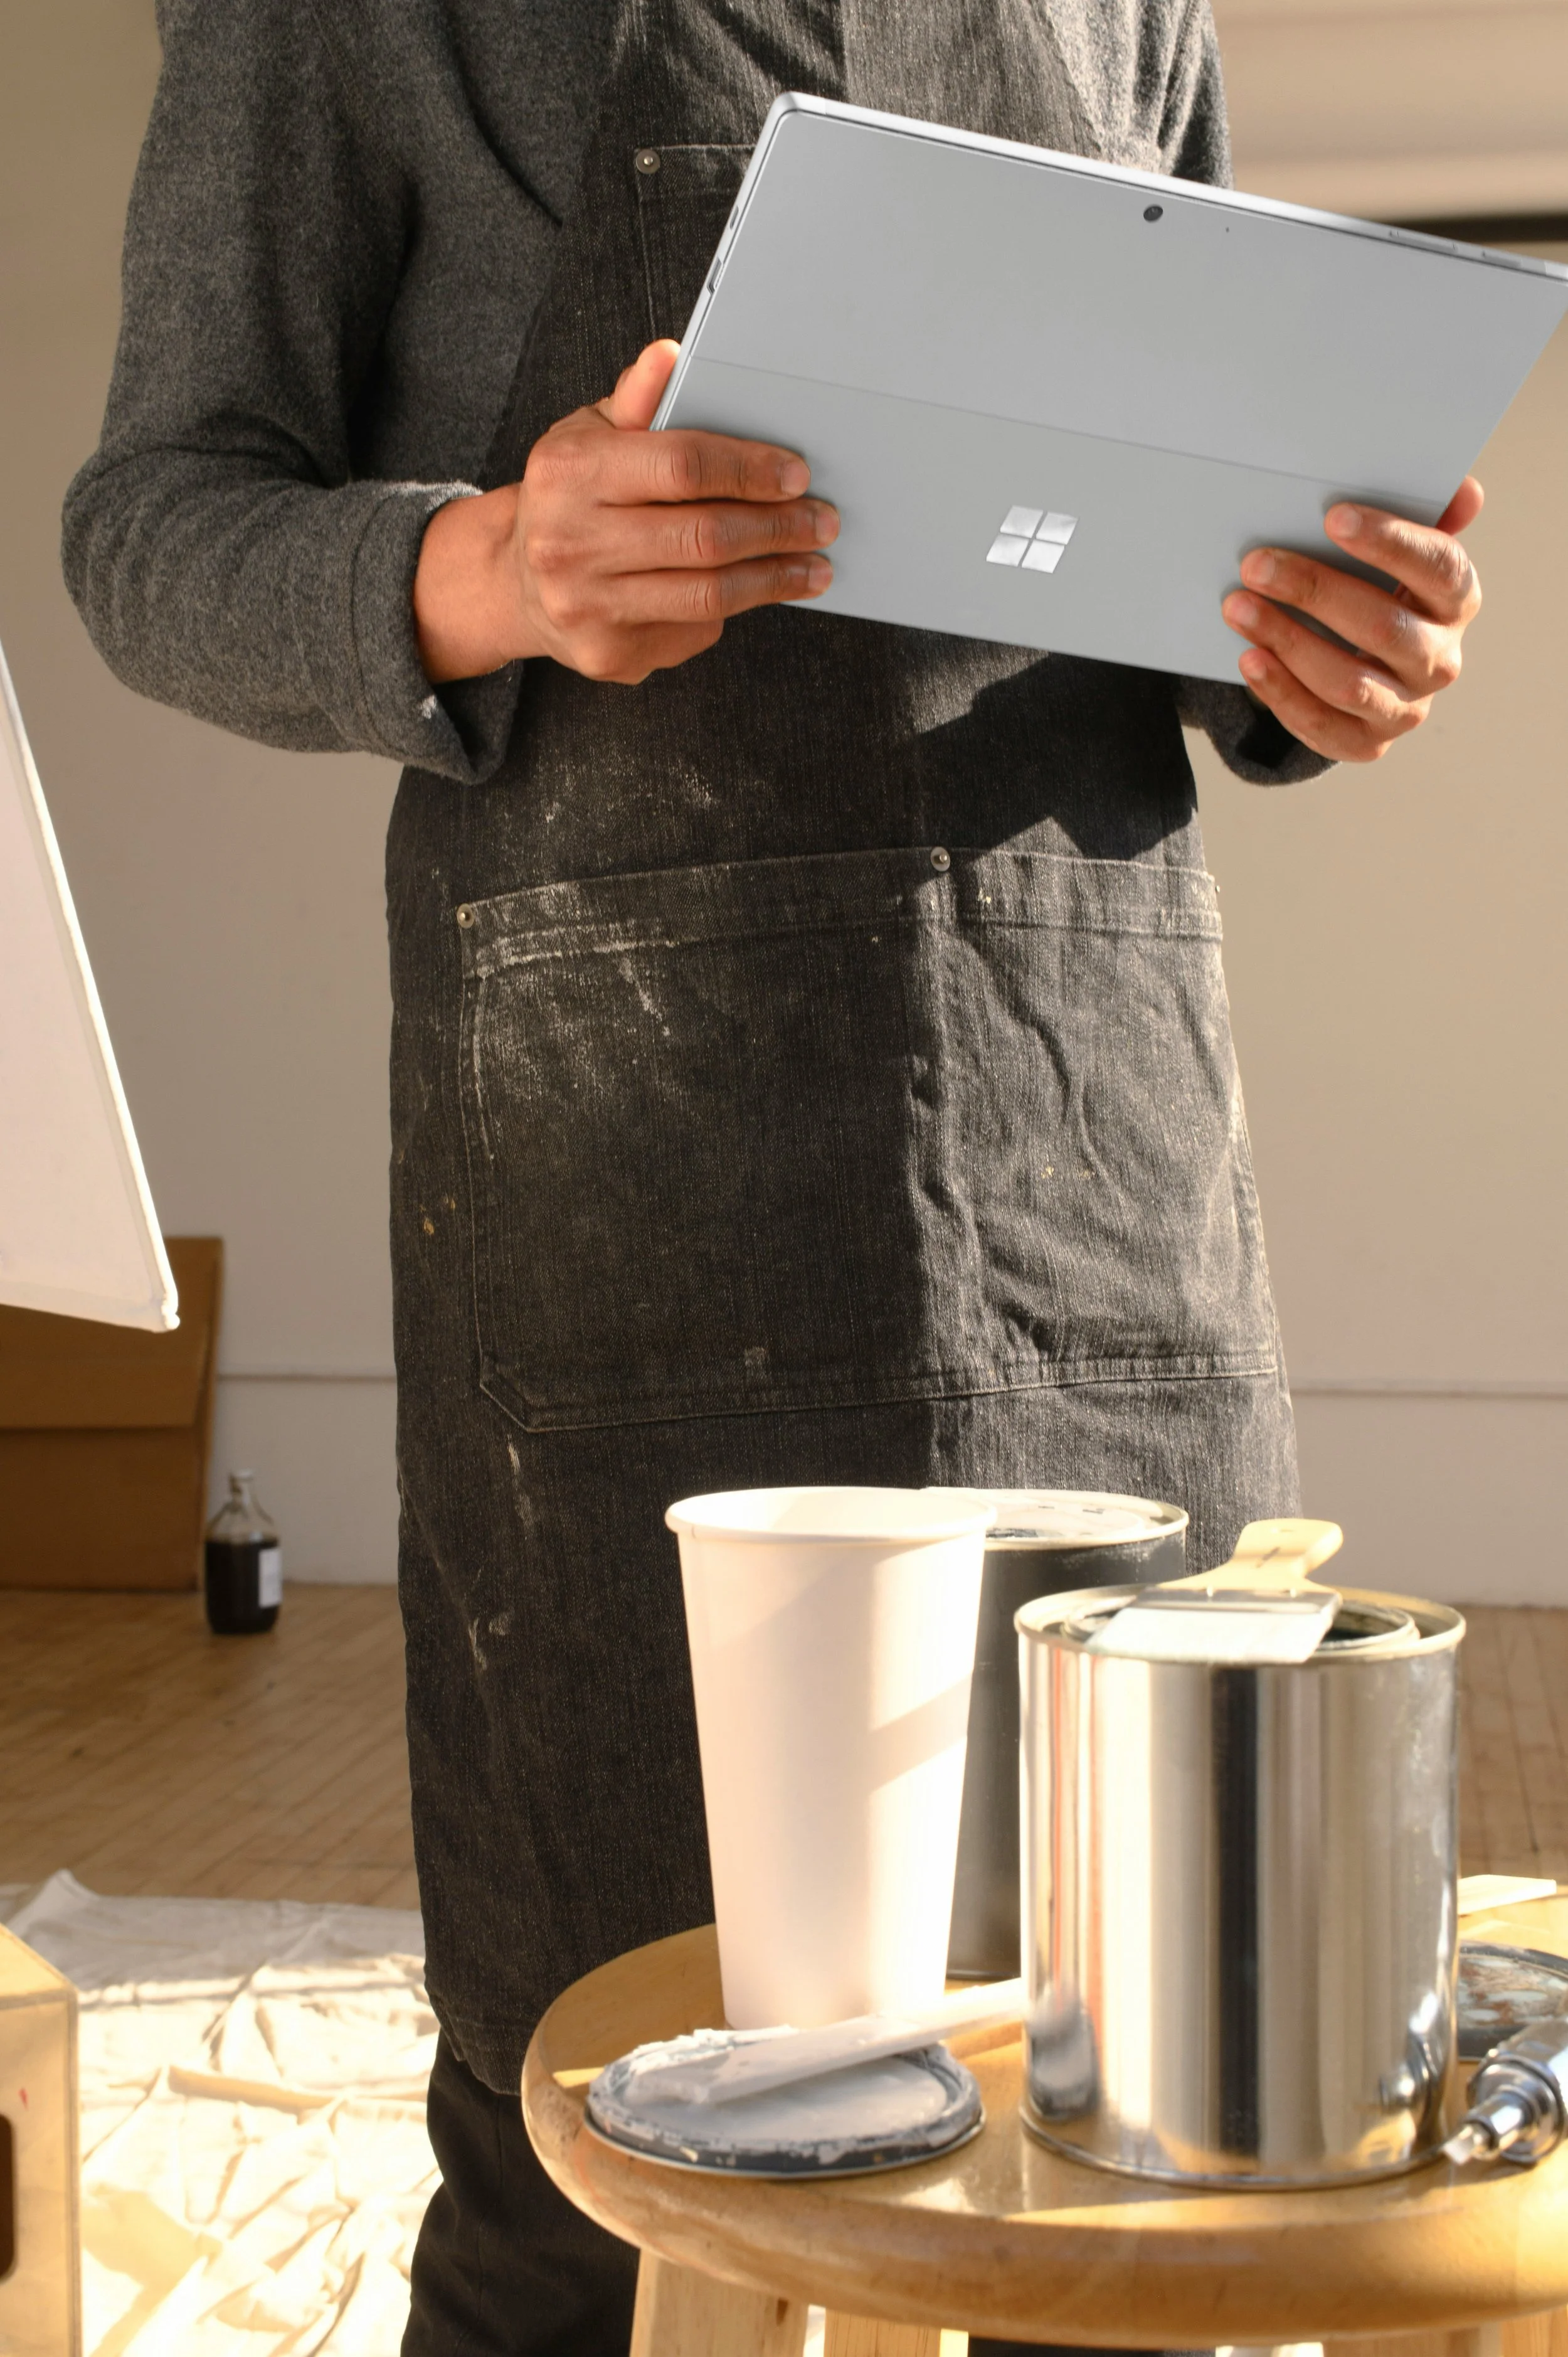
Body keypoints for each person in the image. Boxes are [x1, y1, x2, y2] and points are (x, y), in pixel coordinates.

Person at [61, 3, 1483, 2351]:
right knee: (596, 2127)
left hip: (1090, 1133)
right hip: (620, 1163)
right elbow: (153, 522)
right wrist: (488, 566)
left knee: (1157, 2139)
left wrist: (1316, 656)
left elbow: (1213, 522)